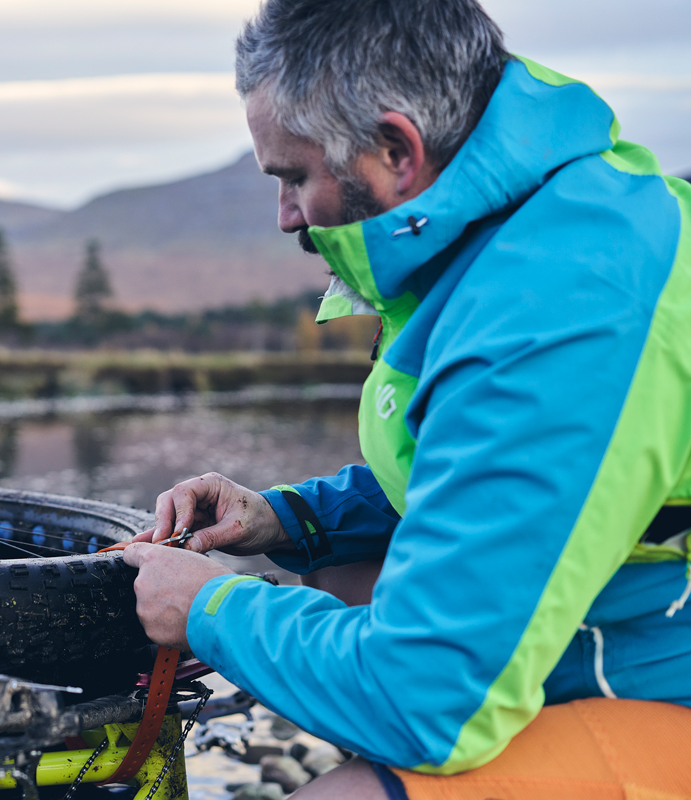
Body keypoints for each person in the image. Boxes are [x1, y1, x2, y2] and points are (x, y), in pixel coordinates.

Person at [122, 0, 691, 797]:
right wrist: (286, 520)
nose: (286, 215)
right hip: (622, 618)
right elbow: (476, 469)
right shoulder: (515, 226)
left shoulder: (566, 305)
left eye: (295, 175)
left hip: (663, 666)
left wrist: (212, 608)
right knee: (337, 575)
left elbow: (426, 704)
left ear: (396, 148)